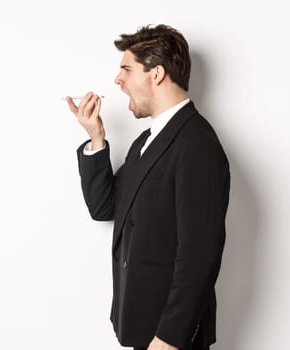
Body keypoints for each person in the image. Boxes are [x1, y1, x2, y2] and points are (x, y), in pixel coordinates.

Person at [66, 24, 230, 350]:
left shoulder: (197, 144)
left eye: (126, 69)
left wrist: (170, 336)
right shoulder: (146, 142)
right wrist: (96, 138)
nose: (117, 80)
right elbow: (106, 207)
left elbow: (200, 255)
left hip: (170, 338)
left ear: (156, 74)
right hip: (143, 327)